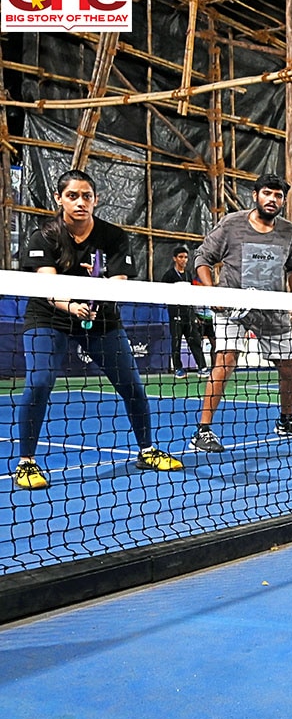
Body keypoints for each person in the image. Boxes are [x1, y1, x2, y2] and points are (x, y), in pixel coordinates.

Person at [14, 168, 183, 490]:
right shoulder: (44, 236)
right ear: (59, 199)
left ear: (96, 200)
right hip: (50, 317)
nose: (80, 202)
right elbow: (48, 286)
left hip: (101, 318)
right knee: (39, 382)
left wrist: (96, 299)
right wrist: (72, 305)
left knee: (133, 386)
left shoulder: (114, 237)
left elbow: (119, 280)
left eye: (87, 196)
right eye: (73, 196)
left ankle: (146, 450)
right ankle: (27, 463)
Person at [189, 172, 292, 453]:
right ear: (255, 195)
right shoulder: (232, 225)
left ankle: (285, 420)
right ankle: (203, 431)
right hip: (232, 307)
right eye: (267, 194)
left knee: (289, 366)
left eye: (278, 195)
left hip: (271, 311)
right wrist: (213, 292)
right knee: (225, 360)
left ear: (283, 200)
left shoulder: (289, 232)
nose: (272, 200)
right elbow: (202, 258)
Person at [160, 245, 210, 379]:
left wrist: (194, 314)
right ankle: (178, 369)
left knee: (195, 340)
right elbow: (163, 293)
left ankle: (202, 367)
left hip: (188, 314)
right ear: (175, 259)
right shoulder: (169, 275)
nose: (184, 260)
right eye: (181, 257)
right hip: (175, 314)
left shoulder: (188, 275)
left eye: (186, 257)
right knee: (175, 342)